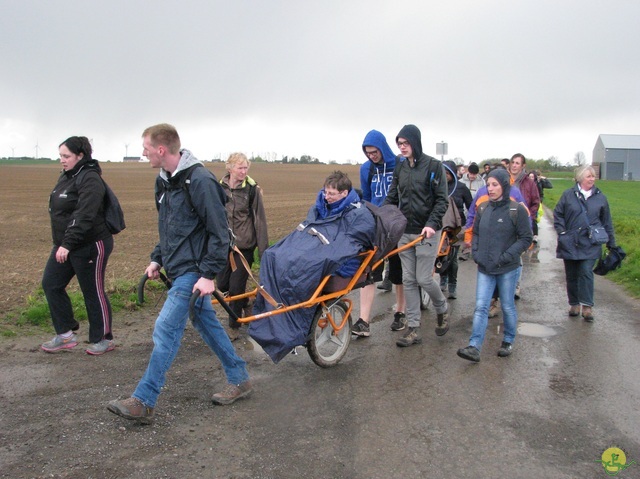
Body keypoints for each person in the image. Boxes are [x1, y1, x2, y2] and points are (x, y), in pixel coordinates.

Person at [107, 124, 251, 424]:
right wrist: (157, 258)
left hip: (195, 270)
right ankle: (240, 378)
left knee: (165, 329)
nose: (143, 153)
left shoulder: (199, 181)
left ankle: (143, 401)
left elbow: (219, 232)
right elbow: (170, 227)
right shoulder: (165, 182)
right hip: (178, 266)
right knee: (208, 326)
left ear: (161, 149)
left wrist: (209, 275)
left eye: (145, 148)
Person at [250, 171, 376, 362]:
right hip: (318, 249)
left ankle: (293, 327)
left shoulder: (359, 213)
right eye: (326, 192)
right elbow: (307, 229)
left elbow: (349, 243)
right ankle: (271, 313)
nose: (327, 196)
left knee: (304, 266)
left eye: (332, 193)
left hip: (340, 260)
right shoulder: (320, 207)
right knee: (273, 255)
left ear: (344, 193)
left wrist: (320, 254)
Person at [40, 136, 116, 355]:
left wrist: (68, 243)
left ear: (80, 156)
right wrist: (63, 243)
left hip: (91, 243)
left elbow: (85, 214)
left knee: (92, 291)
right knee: (51, 284)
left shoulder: (90, 178)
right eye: (60, 156)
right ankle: (65, 334)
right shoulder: (67, 176)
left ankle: (104, 338)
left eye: (66, 156)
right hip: (65, 244)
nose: (62, 161)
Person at [457, 169, 533, 362]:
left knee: (507, 305)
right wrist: (476, 252)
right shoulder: (483, 209)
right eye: (488, 184)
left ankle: (508, 340)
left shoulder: (517, 210)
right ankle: (474, 346)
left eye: (495, 185)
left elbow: (526, 238)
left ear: (504, 186)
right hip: (485, 267)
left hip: (507, 268)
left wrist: (507, 255)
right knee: (481, 306)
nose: (490, 189)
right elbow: (476, 234)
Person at [384, 124, 449, 347]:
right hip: (406, 231)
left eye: (406, 143)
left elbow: (442, 200)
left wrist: (431, 224)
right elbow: (393, 196)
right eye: (399, 144)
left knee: (423, 278)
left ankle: (442, 308)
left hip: (427, 232)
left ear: (415, 142)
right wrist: (380, 216)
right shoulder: (400, 167)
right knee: (408, 280)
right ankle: (413, 329)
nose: (402, 148)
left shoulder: (433, 166)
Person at [351, 130, 406, 337]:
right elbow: (366, 197)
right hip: (376, 226)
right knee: (369, 271)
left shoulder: (399, 166)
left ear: (382, 147)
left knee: (398, 272)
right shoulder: (366, 169)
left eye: (374, 152)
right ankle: (363, 321)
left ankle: (400, 312)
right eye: (368, 153)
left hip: (396, 223)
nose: (372, 156)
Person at [553, 165, 617, 322]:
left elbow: (606, 221)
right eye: (589, 176)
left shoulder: (600, 197)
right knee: (572, 274)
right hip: (570, 242)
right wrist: (562, 232)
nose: (592, 179)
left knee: (586, 272)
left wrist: (611, 243)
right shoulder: (568, 195)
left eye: (593, 176)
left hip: (591, 243)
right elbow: (558, 214)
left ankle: (587, 306)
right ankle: (574, 304)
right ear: (581, 177)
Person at [217, 153, 269, 341]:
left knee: (236, 286)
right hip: (224, 245)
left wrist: (263, 253)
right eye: (240, 168)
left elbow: (260, 221)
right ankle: (247, 302)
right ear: (229, 168)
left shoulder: (252, 190)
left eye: (246, 168)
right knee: (222, 285)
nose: (244, 171)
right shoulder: (219, 188)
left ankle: (234, 326)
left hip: (244, 246)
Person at [440, 160, 472, 299]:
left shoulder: (461, 188)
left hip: (456, 228)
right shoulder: (437, 187)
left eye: (448, 172)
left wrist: (469, 226)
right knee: (441, 255)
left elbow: (471, 206)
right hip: (440, 226)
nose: (445, 175)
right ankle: (443, 279)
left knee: (452, 258)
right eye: (443, 172)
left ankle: (452, 284)